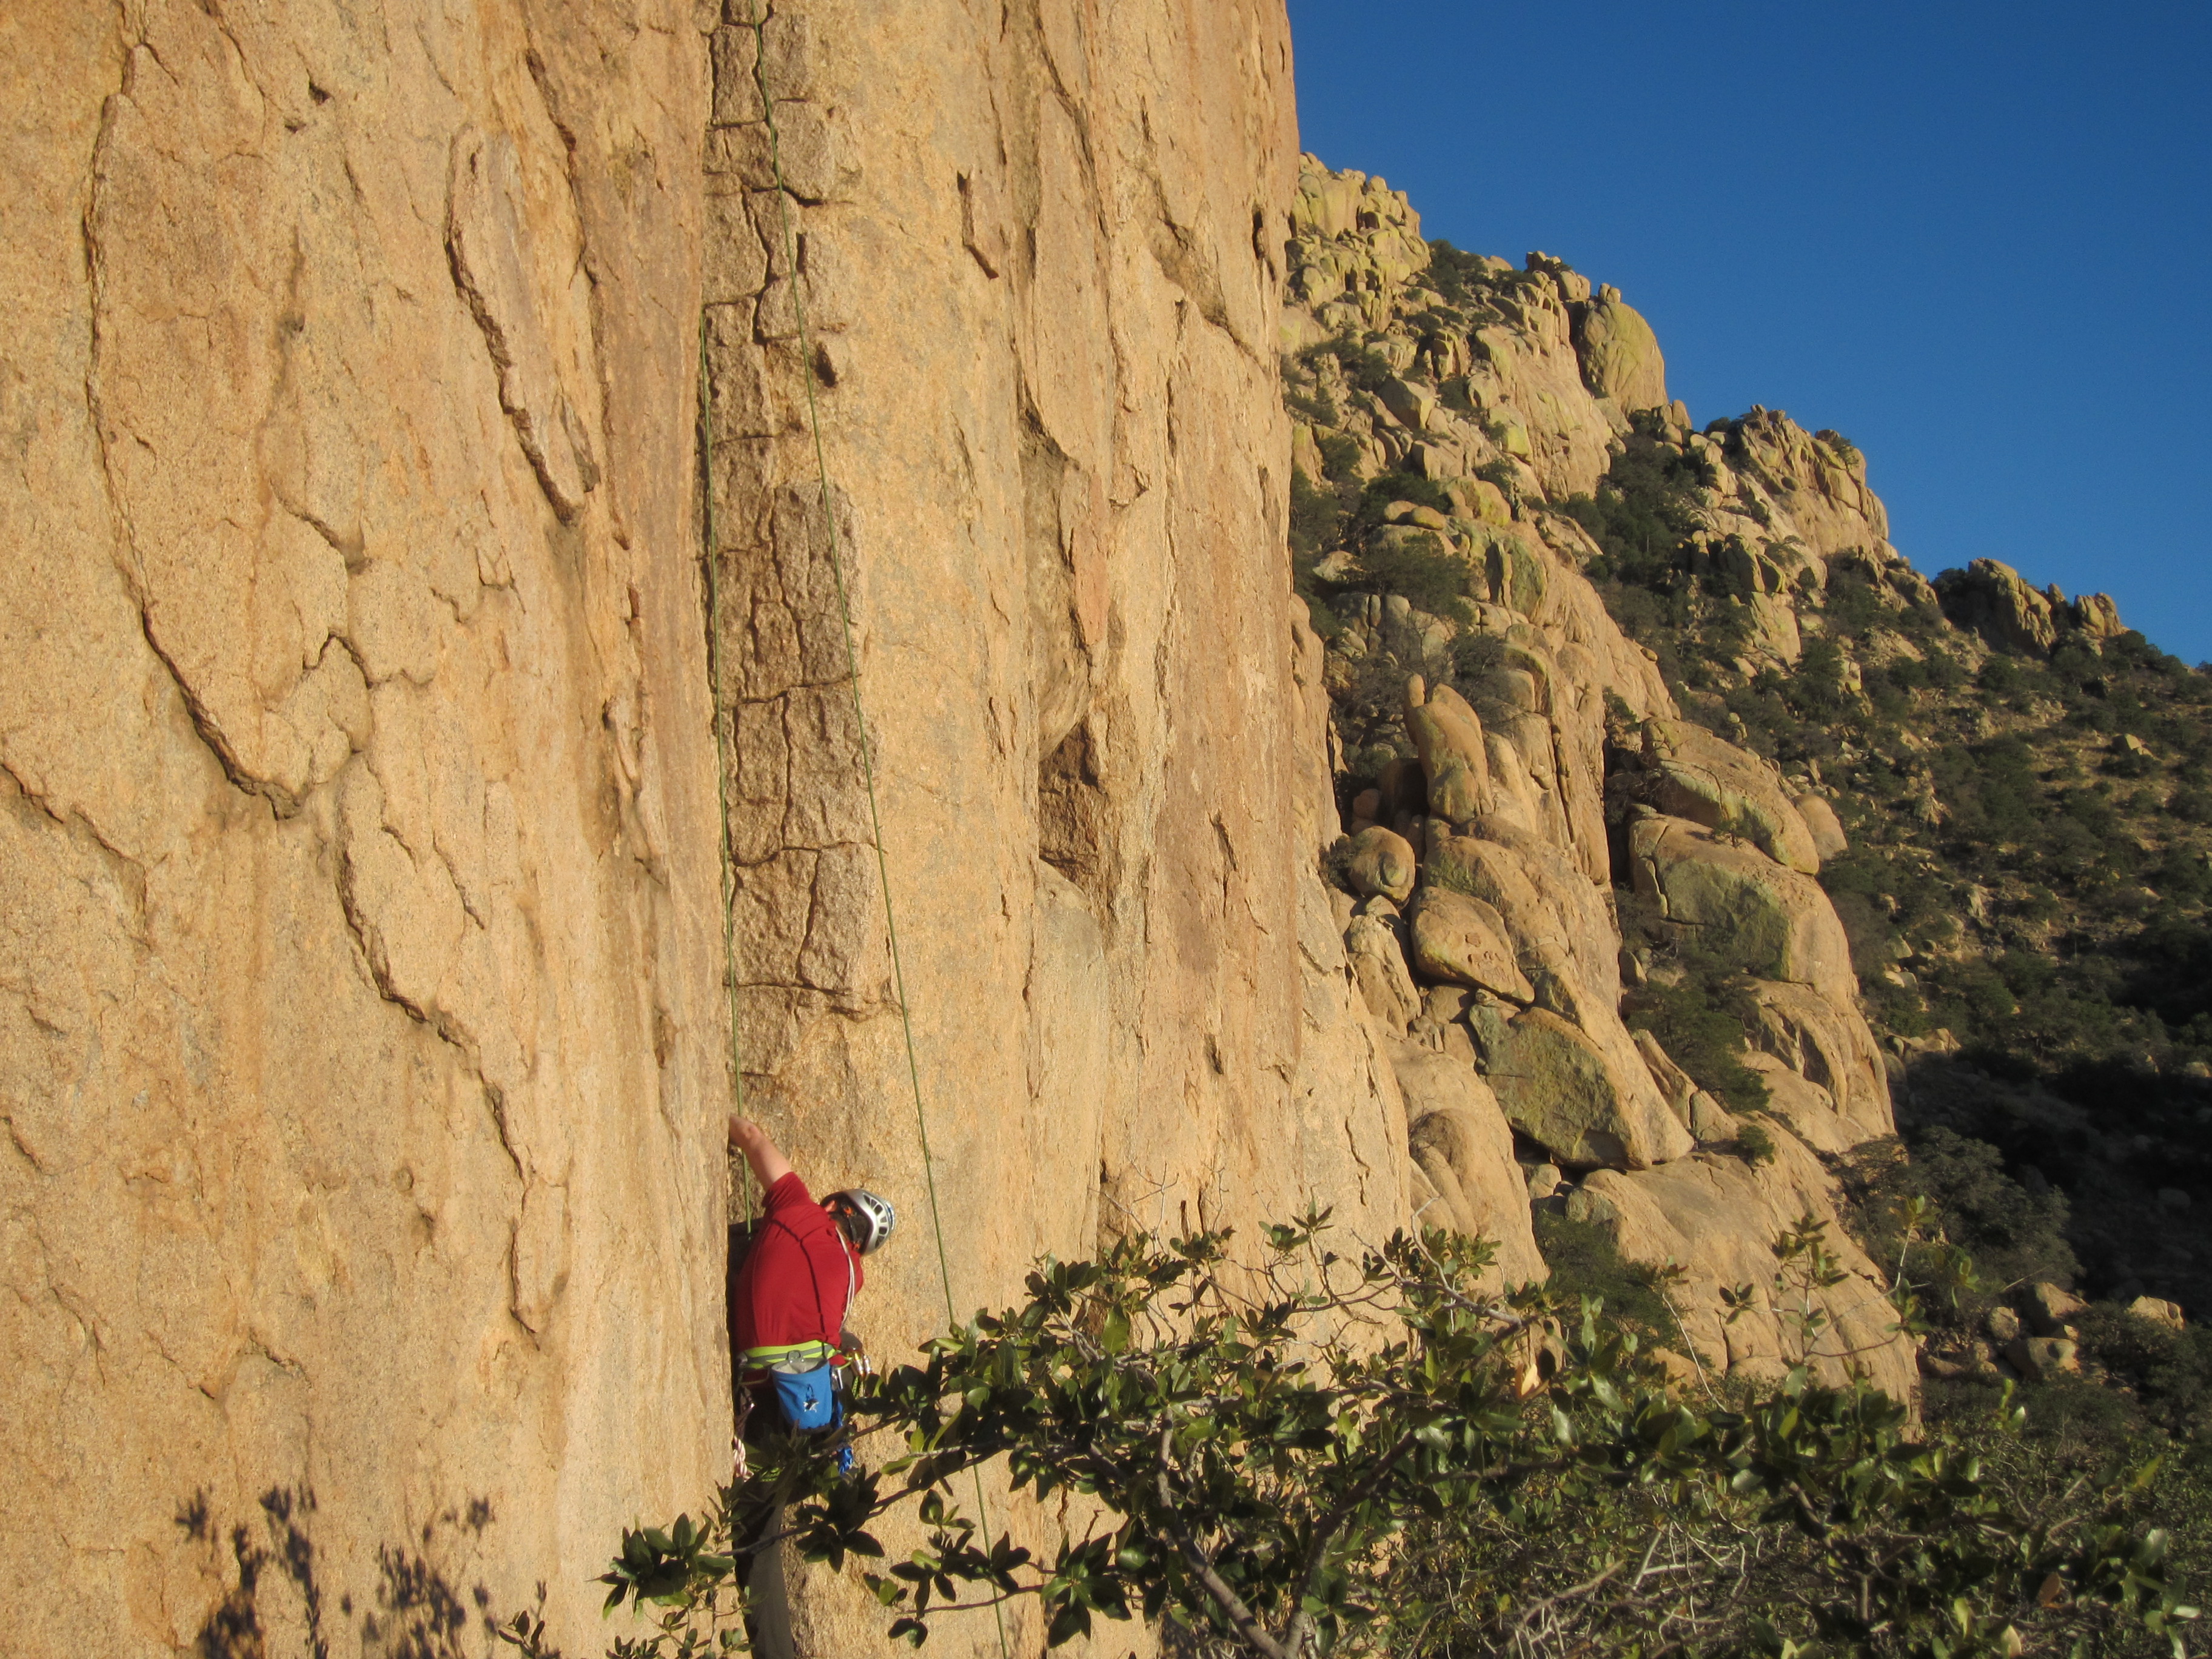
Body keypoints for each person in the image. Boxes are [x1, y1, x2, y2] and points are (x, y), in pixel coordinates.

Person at [725, 1115, 896, 1443]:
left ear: (831, 1205)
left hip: (753, 1365)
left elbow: (750, 1135)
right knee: (849, 1346)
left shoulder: (795, 1204)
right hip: (786, 1387)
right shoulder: (854, 1275)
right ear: (860, 1248)